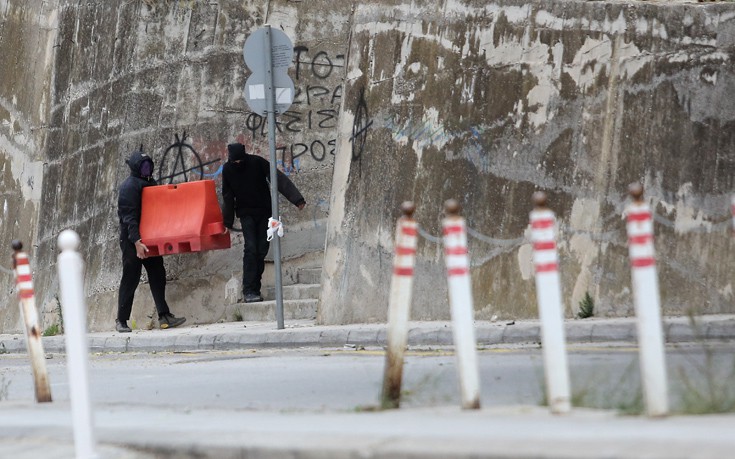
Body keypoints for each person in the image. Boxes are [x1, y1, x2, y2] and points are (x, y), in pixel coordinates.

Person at [222, 143, 306, 303]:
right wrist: (227, 222)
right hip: (246, 214)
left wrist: (297, 199)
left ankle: (255, 289)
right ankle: (248, 290)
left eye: (241, 161)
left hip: (264, 212)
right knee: (251, 248)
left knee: (261, 250)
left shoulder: (257, 162)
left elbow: (278, 178)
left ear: (245, 156)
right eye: (235, 162)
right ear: (231, 160)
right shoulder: (228, 169)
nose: (238, 164)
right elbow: (227, 196)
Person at [116, 150, 186, 333]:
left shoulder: (150, 183)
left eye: (148, 165)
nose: (147, 168)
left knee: (157, 274)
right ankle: (121, 320)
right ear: (135, 167)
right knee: (131, 278)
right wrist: (137, 242)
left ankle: (164, 316)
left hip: (149, 237)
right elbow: (128, 218)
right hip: (133, 240)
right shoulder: (129, 187)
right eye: (143, 165)